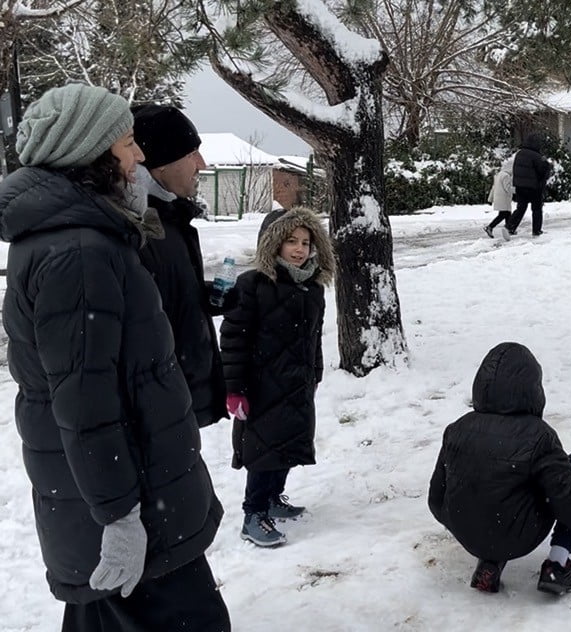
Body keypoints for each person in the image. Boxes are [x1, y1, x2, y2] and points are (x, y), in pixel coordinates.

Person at [0, 84, 228, 630]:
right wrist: (119, 518)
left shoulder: (82, 236)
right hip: (134, 507)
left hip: (125, 496)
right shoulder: (78, 253)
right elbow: (86, 406)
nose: (139, 156)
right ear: (91, 154)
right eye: (128, 144)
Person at [428, 342, 571, 595]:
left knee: (498, 487)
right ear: (533, 389)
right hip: (517, 534)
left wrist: (466, 523)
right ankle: (557, 564)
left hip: (469, 536)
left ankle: (489, 562)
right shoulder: (539, 437)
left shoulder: (457, 429)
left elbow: (436, 499)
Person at [220, 206, 334, 547]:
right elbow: (234, 338)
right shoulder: (253, 285)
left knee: (287, 445)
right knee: (262, 449)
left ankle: (273, 496)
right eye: (290, 241)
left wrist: (315, 370)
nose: (299, 249)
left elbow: (313, 335)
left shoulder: (312, 288)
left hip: (297, 383)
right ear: (273, 244)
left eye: (305, 242)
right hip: (261, 385)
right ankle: (253, 513)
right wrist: (234, 389)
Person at [131, 103, 230, 428]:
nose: (202, 164)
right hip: (156, 415)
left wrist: (204, 296)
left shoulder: (169, 219)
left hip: (178, 404)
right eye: (191, 154)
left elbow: (159, 298)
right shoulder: (136, 228)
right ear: (159, 163)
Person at [504, 133, 552, 236]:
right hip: (533, 187)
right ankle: (536, 230)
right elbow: (543, 170)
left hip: (520, 186)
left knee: (521, 208)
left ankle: (509, 227)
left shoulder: (519, 153)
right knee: (536, 209)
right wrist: (547, 165)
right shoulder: (537, 156)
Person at [483, 151, 516, 239]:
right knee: (503, 215)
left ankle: (510, 229)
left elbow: (493, 188)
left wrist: (490, 199)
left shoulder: (499, 175)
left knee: (507, 214)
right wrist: (517, 190)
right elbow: (508, 188)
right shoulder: (506, 176)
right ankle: (490, 227)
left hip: (499, 199)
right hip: (504, 199)